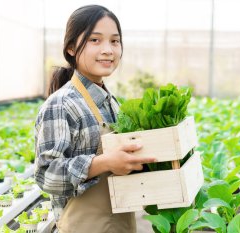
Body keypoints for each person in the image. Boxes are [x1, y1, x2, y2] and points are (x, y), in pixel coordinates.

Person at [34, 5, 156, 233]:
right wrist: (105, 162)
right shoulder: (62, 104)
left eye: (115, 41)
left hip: (120, 224)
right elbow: (47, 175)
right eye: (95, 40)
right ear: (71, 48)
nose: (108, 50)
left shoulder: (113, 103)